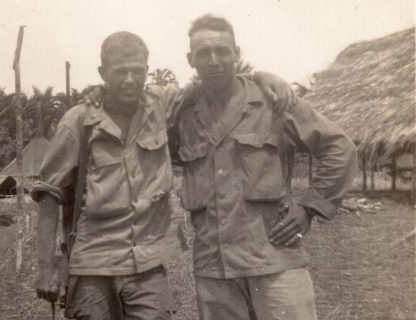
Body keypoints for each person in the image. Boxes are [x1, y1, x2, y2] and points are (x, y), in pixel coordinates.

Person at [32, 30, 294, 319]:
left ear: (147, 70)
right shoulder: (79, 121)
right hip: (92, 261)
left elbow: (215, 81)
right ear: (102, 73)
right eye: (120, 72)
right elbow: (48, 192)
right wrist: (46, 267)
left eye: (137, 71)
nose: (130, 80)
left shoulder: (162, 104)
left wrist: (261, 76)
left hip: (148, 264)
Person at [166, 15, 358, 320]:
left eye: (222, 51)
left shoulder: (274, 101)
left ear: (237, 53)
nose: (213, 61)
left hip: (275, 260)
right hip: (214, 268)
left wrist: (310, 207)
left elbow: (340, 147)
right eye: (203, 53)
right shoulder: (182, 112)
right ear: (191, 59)